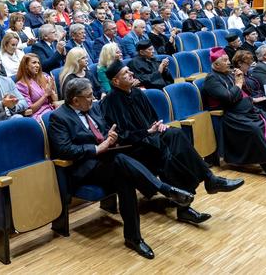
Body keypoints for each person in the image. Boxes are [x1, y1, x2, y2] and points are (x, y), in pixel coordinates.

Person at [48, 79, 197, 259]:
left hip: (110, 162)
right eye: (88, 96)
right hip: (87, 170)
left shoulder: (93, 108)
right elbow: (64, 149)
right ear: (75, 100)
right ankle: (164, 188)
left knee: (125, 176)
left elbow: (105, 131)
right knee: (121, 162)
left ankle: (133, 237)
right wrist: (97, 148)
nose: (93, 98)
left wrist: (111, 137)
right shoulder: (59, 117)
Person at [101, 61, 244, 209]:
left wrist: (159, 125)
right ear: (115, 81)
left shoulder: (137, 92)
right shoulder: (109, 102)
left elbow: (152, 118)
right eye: (125, 72)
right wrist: (147, 132)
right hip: (134, 147)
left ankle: (205, 183)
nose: (131, 73)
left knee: (175, 135)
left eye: (129, 70)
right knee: (169, 152)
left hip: (151, 138)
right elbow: (120, 135)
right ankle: (200, 190)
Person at [202, 48, 266, 184]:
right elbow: (229, 98)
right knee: (255, 131)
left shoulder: (230, 74)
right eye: (224, 61)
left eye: (227, 59)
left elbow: (246, 92)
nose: (228, 62)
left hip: (248, 111)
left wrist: (242, 82)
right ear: (215, 64)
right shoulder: (211, 79)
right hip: (232, 117)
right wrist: (238, 83)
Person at [15, 53, 57, 121]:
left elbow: (55, 100)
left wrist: (52, 91)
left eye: (38, 63)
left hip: (52, 110)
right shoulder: (21, 85)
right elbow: (30, 110)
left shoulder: (44, 77)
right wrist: (46, 95)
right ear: (25, 66)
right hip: (38, 115)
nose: (37, 65)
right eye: (34, 63)